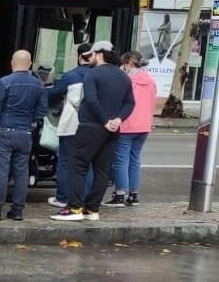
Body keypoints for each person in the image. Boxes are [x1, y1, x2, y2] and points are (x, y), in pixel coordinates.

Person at [54, 41, 134, 221]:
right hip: (113, 129)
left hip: (91, 125)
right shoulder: (123, 77)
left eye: (91, 55)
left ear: (99, 54)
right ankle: (92, 209)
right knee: (102, 169)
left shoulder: (92, 74)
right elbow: (130, 102)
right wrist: (117, 119)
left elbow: (91, 99)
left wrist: (104, 120)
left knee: (77, 164)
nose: (89, 58)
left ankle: (74, 208)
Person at [0, 50, 47, 221]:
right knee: (22, 173)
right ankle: (17, 211)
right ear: (30, 64)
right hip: (24, 133)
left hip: (3, 132)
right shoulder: (39, 85)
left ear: (12, 63)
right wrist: (29, 122)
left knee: (1, 173)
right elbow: (42, 111)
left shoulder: (4, 82)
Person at [107, 51, 157, 206]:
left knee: (121, 160)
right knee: (134, 160)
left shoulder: (127, 81)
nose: (122, 68)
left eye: (123, 64)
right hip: (144, 126)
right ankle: (133, 195)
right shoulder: (151, 81)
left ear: (128, 63)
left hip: (127, 124)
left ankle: (120, 194)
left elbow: (121, 102)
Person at [47, 43, 94, 207]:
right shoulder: (98, 75)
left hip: (71, 124)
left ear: (80, 57)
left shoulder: (71, 76)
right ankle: (86, 198)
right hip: (93, 126)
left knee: (66, 161)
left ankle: (63, 197)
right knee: (87, 163)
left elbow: (53, 94)